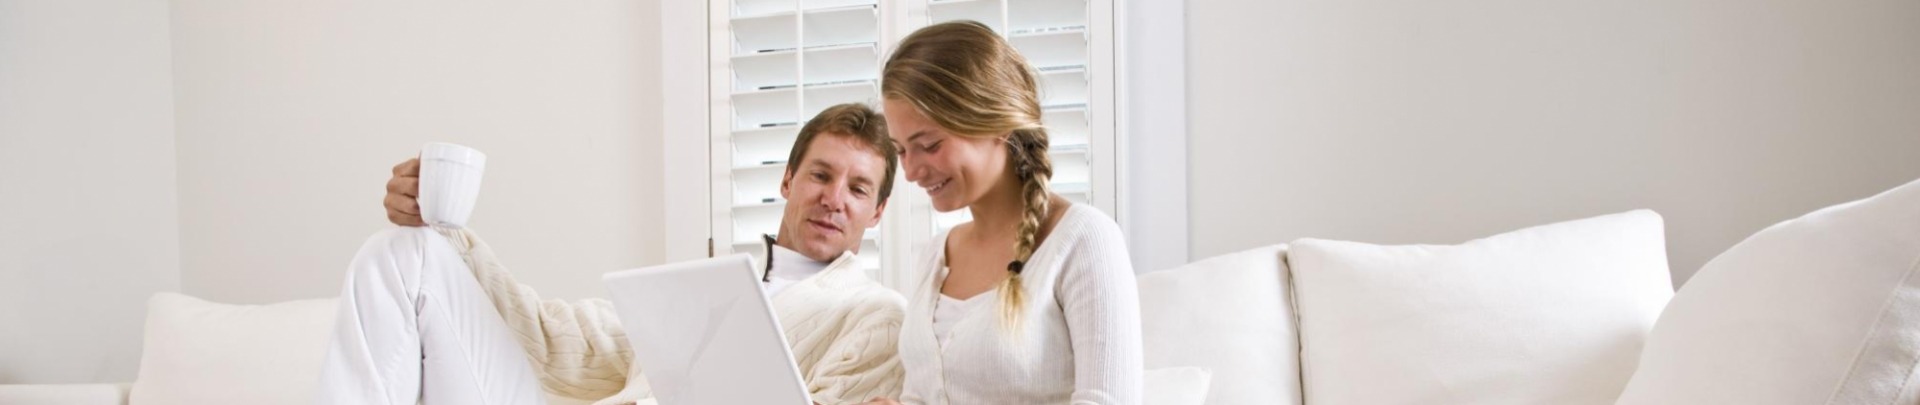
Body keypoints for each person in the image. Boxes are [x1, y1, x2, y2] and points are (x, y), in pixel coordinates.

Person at [316, 104, 908, 405]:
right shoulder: (708, 285)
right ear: (786, 182)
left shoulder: (876, 315)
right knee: (402, 249)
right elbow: (556, 339)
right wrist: (448, 230)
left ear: (877, 212)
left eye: (857, 189)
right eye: (820, 175)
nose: (833, 199)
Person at [865, 21, 1143, 404]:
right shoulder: (935, 255)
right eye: (900, 151)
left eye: (928, 145)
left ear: (995, 123)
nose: (911, 171)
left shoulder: (1083, 239)